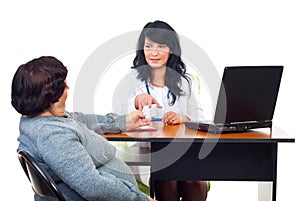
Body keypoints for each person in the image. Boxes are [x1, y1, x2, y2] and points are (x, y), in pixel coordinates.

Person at [11, 56, 156, 201]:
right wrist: (140, 199)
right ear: (51, 96)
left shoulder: (44, 118)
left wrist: (122, 122)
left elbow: (82, 119)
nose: (67, 89)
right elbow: (94, 187)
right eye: (64, 86)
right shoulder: (54, 136)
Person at [114, 21, 208, 201]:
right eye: (148, 46)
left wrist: (182, 117)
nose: (154, 53)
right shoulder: (131, 80)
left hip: (182, 151)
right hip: (147, 153)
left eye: (161, 46)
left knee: (194, 181)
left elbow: (200, 118)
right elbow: (116, 119)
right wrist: (135, 103)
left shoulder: (183, 81)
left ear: (171, 49)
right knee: (167, 178)